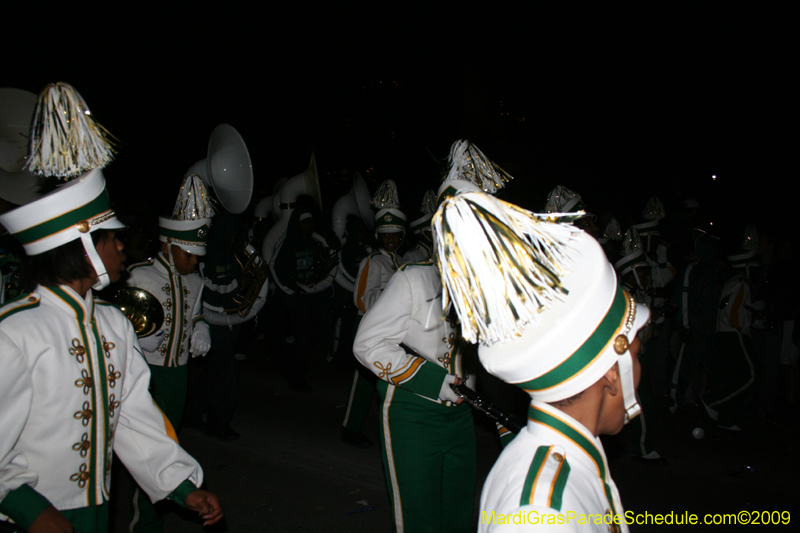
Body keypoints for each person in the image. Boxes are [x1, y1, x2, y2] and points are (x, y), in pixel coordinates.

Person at [0, 170, 222, 533]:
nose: (122, 246)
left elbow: (132, 416)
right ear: (83, 246)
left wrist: (180, 484)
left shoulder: (113, 323)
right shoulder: (14, 330)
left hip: (95, 508)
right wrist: (30, 509)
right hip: (28, 516)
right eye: (113, 239)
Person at [432, 181, 650, 532]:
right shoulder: (543, 511)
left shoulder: (567, 459)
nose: (641, 371)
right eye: (636, 355)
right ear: (612, 371)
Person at [124, 177, 212, 531]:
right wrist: (134, 341)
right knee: (143, 449)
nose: (194, 262)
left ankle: (158, 509)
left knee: (168, 446)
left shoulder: (195, 279)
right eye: (189, 255)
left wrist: (202, 326)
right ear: (169, 245)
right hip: (146, 373)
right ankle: (144, 523)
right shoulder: (137, 276)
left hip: (178, 372)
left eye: (198, 257)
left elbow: (196, 311)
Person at [342, 186, 406, 448]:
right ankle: (350, 428)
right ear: (378, 237)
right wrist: (386, 302)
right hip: (369, 323)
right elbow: (360, 297)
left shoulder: (398, 260)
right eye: (385, 236)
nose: (390, 240)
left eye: (394, 236)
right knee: (364, 381)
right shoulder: (372, 261)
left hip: (389, 327)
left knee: (384, 377)